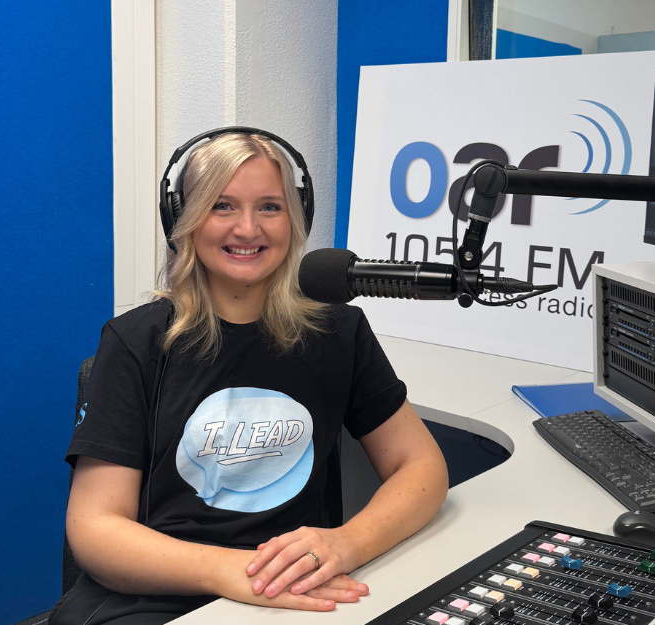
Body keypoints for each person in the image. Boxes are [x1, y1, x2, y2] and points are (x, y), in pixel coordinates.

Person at [51, 131, 449, 625]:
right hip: (166, 591)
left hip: (297, 589)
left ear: (295, 218)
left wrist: (347, 543)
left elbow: (422, 466)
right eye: (222, 206)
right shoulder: (137, 342)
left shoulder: (337, 332)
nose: (247, 228)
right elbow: (94, 527)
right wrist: (231, 571)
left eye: (269, 207)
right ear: (185, 219)